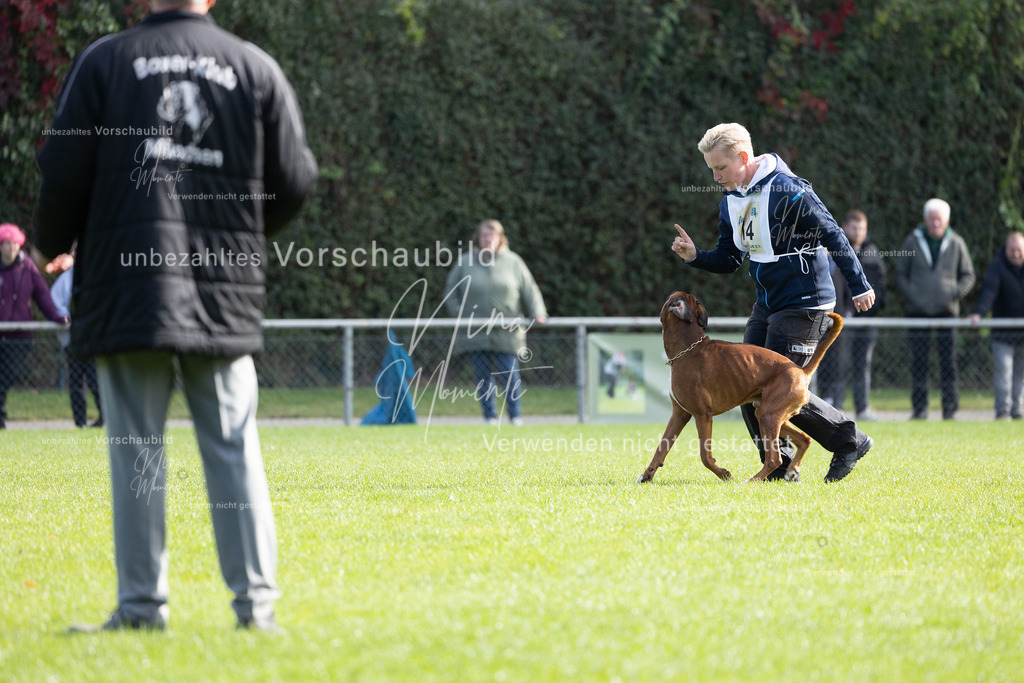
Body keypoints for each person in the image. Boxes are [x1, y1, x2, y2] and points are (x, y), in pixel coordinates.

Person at [34, 0, 318, 632]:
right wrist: (239, 232)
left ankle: (140, 609)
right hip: (222, 291)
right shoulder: (253, 66)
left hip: (127, 290)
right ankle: (257, 611)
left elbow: (64, 171)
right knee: (234, 447)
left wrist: (49, 245)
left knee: (136, 451)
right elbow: (295, 179)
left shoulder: (105, 62)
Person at [672, 122, 875, 482]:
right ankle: (780, 468)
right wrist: (695, 257)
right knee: (743, 384)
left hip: (806, 301)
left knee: (781, 387)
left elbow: (833, 233)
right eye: (711, 170)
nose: (716, 177)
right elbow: (730, 259)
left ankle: (848, 441)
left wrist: (859, 284)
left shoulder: (787, 190)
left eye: (721, 168)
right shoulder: (730, 203)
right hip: (767, 304)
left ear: (744, 157)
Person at [443, 219, 548, 426]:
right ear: (478, 238)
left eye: (493, 236)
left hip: (508, 332)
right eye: (484, 235)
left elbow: (530, 290)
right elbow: (450, 292)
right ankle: (489, 417)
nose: (488, 239)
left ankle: (515, 416)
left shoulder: (514, 262)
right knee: (483, 377)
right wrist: (461, 315)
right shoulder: (465, 262)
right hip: (476, 332)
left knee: (510, 375)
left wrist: (538, 312)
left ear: (501, 239)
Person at [894, 198, 975, 420]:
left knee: (949, 364)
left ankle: (950, 409)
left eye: (939, 219)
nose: (935, 223)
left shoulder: (956, 243)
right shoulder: (912, 241)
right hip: (918, 314)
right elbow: (900, 273)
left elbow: (968, 275)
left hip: (947, 314)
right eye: (931, 219)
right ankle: (920, 409)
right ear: (925, 220)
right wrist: (913, 294)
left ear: (946, 220)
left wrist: (954, 293)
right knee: (919, 363)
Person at [818, 210, 887, 419]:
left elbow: (880, 288)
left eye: (862, 228)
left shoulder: (872, 253)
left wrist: (863, 313)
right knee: (834, 362)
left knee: (861, 366)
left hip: (864, 321)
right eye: (854, 227)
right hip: (836, 320)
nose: (858, 232)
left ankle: (862, 407)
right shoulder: (835, 251)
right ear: (845, 227)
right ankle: (831, 405)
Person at [0, 223, 69, 429]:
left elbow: (42, 296)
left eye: (14, 244)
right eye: (6, 244)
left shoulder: (27, 267)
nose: (11, 248)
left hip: (20, 336)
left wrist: (56, 317)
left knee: (7, 377)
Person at [969, 231, 1024, 420]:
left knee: (1020, 375)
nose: (1016, 254)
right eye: (1012, 250)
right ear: (1006, 249)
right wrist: (979, 313)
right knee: (1004, 372)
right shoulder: (998, 266)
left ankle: (1017, 410)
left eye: (1019, 250)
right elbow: (989, 292)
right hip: (1002, 333)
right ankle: (1003, 411)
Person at [50, 264, 104, 428]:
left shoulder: (98, 274)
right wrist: (63, 317)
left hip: (94, 339)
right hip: (73, 340)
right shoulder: (65, 279)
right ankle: (79, 422)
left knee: (96, 380)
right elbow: (55, 302)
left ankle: (105, 417)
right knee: (76, 382)